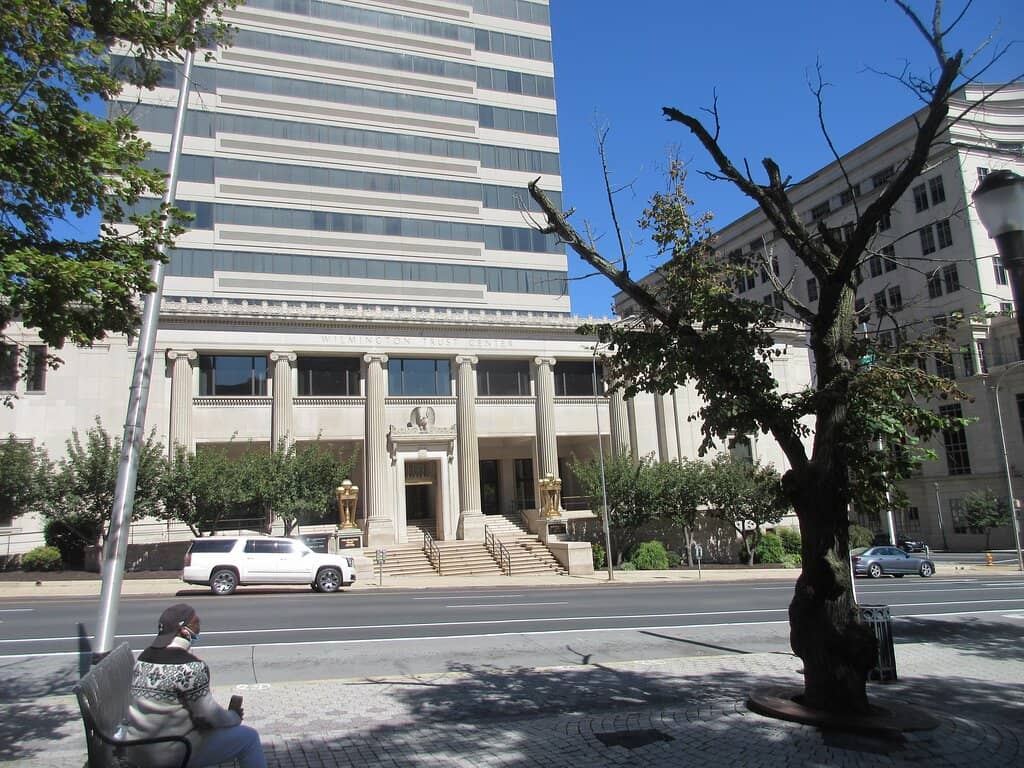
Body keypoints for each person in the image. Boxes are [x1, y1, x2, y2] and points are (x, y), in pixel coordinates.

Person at [118, 603, 267, 768]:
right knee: (249, 738)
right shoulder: (191, 668)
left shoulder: (143, 658)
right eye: (196, 623)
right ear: (184, 630)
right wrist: (234, 716)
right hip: (173, 751)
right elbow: (212, 716)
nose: (199, 629)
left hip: (135, 749)